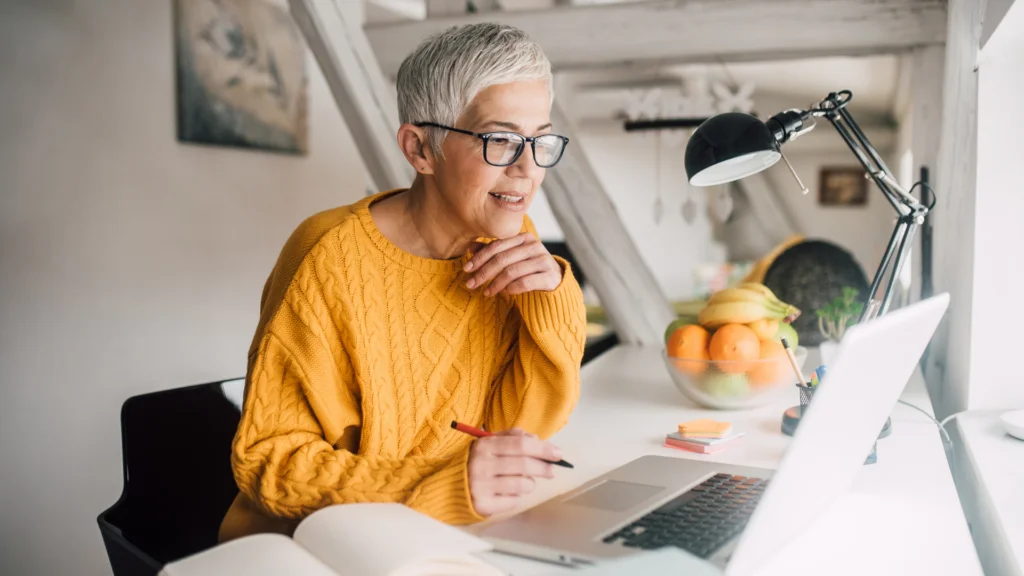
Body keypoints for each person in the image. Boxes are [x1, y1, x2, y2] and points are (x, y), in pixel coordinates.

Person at [219, 23, 586, 541]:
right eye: (500, 140)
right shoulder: (327, 255)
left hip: (434, 532)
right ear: (419, 150)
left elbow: (522, 429)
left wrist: (553, 298)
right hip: (308, 543)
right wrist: (437, 483)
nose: (528, 168)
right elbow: (270, 463)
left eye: (540, 140)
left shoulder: (504, 241)